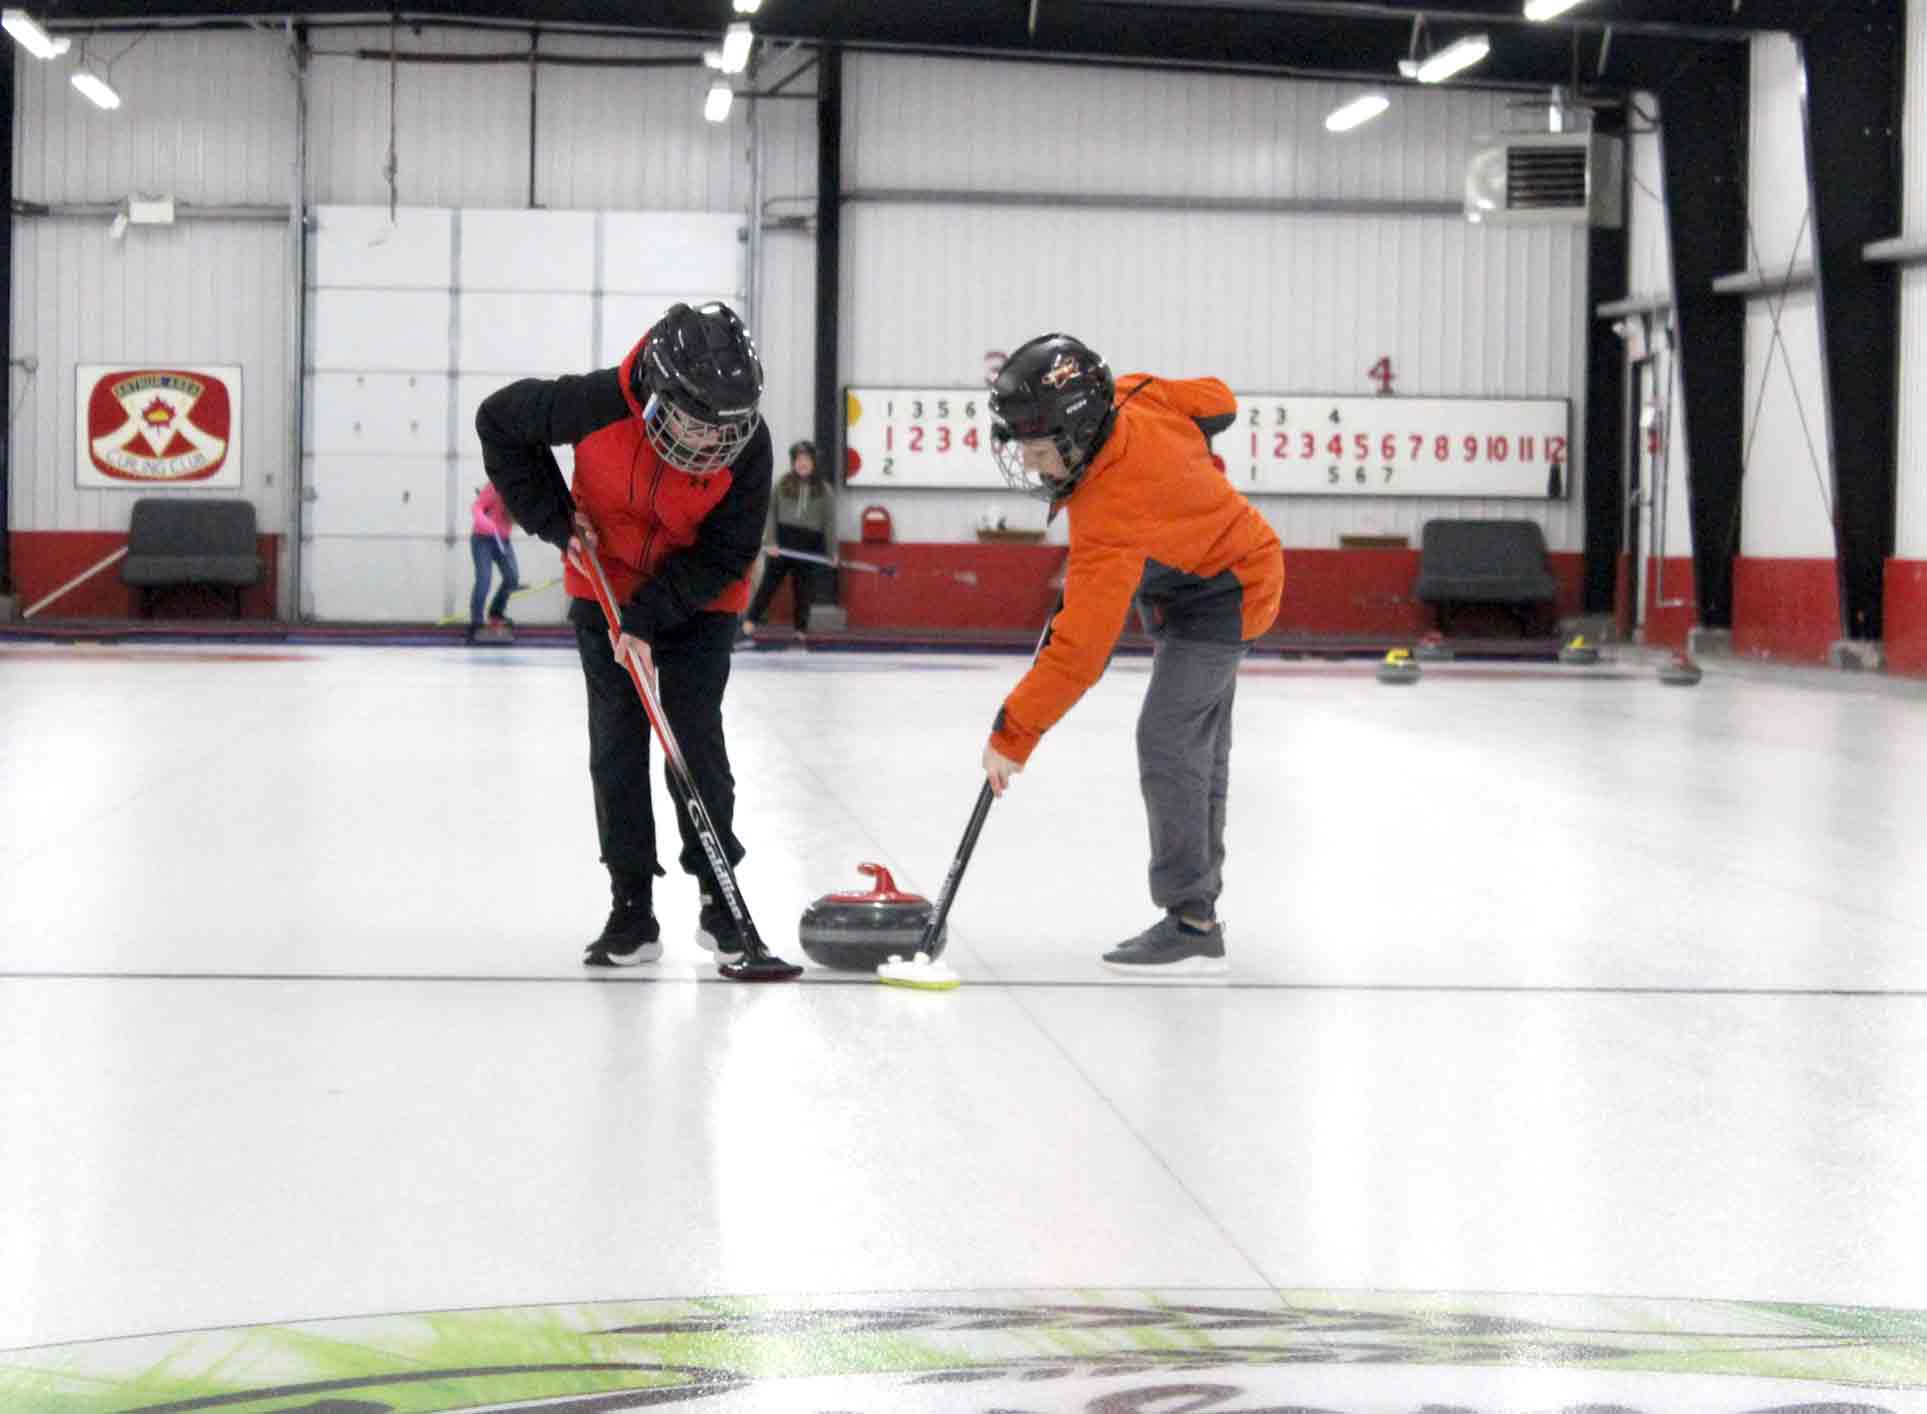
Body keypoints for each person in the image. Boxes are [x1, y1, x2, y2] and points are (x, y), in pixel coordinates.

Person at [475, 301, 773, 967]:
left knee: (693, 740)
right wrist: (553, 518)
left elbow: (728, 553)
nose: (709, 444)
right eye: (695, 426)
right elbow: (498, 422)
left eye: (721, 430)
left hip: (701, 594)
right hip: (602, 583)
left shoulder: (746, 442)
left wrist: (645, 620)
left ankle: (718, 898)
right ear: (658, 393)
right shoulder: (592, 401)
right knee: (617, 747)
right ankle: (630, 906)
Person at [981, 333, 1283, 976]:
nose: (1032, 466)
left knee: (1170, 741)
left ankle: (1192, 921)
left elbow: (1082, 651)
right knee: (1196, 747)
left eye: (1039, 450)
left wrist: (1014, 733)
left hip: (1228, 591)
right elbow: (1218, 401)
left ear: (1080, 431)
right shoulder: (1134, 392)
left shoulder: (1111, 507)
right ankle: (1197, 909)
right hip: (1191, 578)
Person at [741, 439, 834, 638]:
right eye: (799, 459)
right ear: (793, 462)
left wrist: (832, 552)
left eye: (807, 460)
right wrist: (770, 542)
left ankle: (801, 629)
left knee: (804, 589)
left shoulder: (825, 490)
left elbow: (829, 523)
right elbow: (771, 514)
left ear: (814, 462)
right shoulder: (782, 484)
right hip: (782, 542)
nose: (803, 463)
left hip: (808, 543)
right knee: (768, 585)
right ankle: (750, 621)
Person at [466, 482, 520, 642]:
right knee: (484, 579)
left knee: (512, 578)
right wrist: (486, 523)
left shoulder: (519, 489)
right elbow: (476, 508)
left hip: (502, 540)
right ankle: (476, 622)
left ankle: (496, 612)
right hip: (482, 539)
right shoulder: (494, 487)